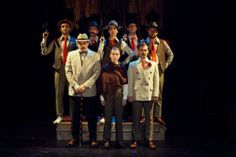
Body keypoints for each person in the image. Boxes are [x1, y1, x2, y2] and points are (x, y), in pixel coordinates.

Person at [65, 33, 101, 148]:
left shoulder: (95, 56)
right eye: (80, 42)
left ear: (88, 42)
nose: (82, 44)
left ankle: (93, 138)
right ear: (77, 43)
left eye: (84, 42)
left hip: (89, 90)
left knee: (91, 116)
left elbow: (96, 73)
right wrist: (75, 86)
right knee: (74, 116)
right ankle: (74, 138)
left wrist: (84, 86)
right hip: (75, 90)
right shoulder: (70, 54)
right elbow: (68, 71)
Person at [40, 19, 78, 124]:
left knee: (72, 93)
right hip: (59, 69)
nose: (65, 28)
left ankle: (73, 115)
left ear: (70, 28)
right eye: (63, 26)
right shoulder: (56, 41)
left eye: (67, 26)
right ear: (60, 29)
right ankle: (59, 115)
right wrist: (44, 39)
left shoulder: (75, 41)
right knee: (59, 93)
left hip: (71, 70)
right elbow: (44, 52)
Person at [128, 40, 159, 149]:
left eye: (145, 50)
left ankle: (149, 139)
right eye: (141, 50)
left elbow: (156, 81)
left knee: (149, 118)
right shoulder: (132, 65)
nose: (143, 52)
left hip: (149, 94)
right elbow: (130, 81)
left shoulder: (154, 64)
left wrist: (155, 94)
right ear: (138, 50)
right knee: (136, 118)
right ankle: (135, 139)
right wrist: (130, 94)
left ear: (148, 51)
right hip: (137, 94)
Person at [145, 21, 174, 125]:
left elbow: (171, 54)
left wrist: (165, 65)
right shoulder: (144, 42)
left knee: (158, 93)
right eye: (151, 29)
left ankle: (157, 115)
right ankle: (146, 115)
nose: (153, 32)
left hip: (159, 69)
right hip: (147, 70)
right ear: (148, 31)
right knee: (146, 93)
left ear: (157, 32)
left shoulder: (162, 42)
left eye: (155, 30)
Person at [99, 47, 127, 148]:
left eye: (117, 54)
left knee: (119, 118)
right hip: (108, 94)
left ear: (119, 55)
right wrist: (102, 97)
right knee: (108, 117)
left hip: (119, 93)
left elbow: (125, 83)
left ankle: (119, 140)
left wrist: (125, 97)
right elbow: (101, 84)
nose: (115, 56)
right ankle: (107, 140)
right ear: (110, 55)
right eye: (113, 54)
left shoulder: (122, 67)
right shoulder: (105, 68)